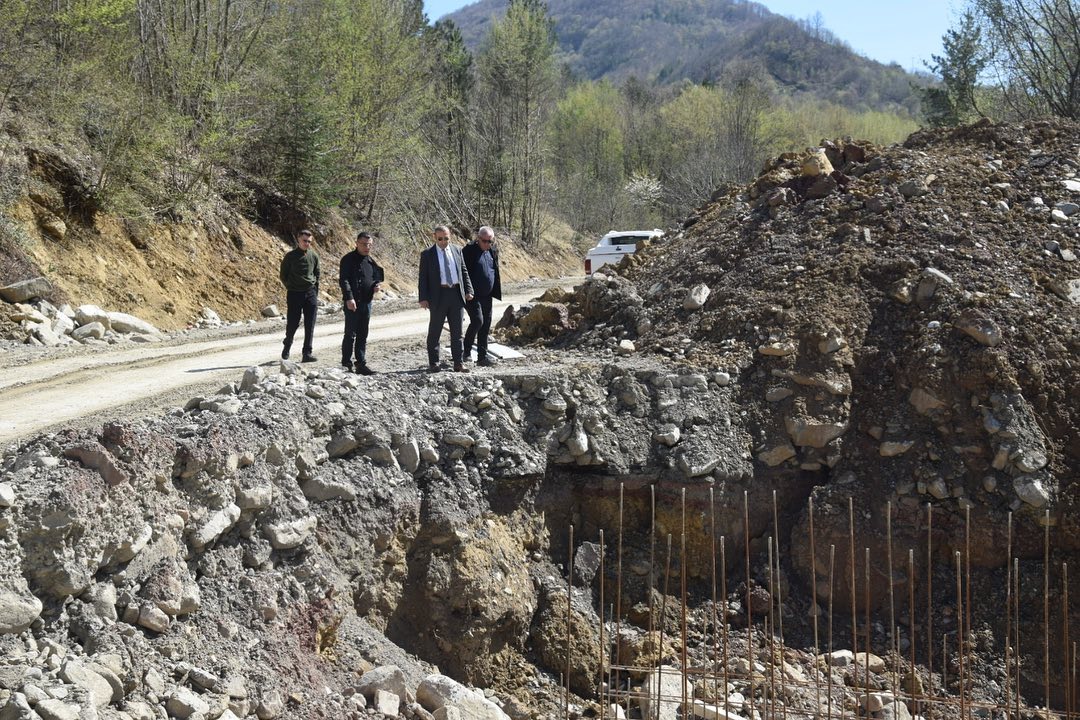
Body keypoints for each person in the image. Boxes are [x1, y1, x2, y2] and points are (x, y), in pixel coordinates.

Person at [418, 225, 473, 373]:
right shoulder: (427, 254)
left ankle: (458, 363)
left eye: (446, 238)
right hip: (438, 295)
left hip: (456, 293)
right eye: (440, 238)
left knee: (457, 331)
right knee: (435, 330)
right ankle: (434, 362)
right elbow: (423, 278)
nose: (443, 241)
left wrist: (468, 290)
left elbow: (463, 271)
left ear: (450, 236)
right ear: (435, 237)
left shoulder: (456, 250)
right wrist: (423, 298)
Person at [339, 231, 384, 375]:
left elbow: (375, 277)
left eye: (369, 245)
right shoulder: (348, 259)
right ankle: (346, 363)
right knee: (350, 334)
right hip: (353, 302)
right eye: (364, 244)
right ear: (357, 243)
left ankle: (361, 363)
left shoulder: (370, 261)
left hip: (367, 302)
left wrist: (376, 286)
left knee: (363, 334)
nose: (367, 247)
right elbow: (344, 280)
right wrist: (349, 298)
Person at [462, 226, 502, 367]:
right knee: (478, 321)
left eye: (489, 241)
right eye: (484, 241)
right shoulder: (468, 251)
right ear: (478, 238)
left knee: (485, 325)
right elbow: (463, 272)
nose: (487, 244)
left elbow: (494, 269)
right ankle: (466, 352)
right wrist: (467, 291)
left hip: (487, 295)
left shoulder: (493, 250)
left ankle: (482, 357)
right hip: (472, 295)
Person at [279, 228, 320, 362]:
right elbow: (283, 275)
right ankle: (287, 344)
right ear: (298, 239)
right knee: (293, 323)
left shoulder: (313, 256)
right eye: (304, 241)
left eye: (309, 241)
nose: (306, 243)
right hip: (295, 293)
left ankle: (307, 353)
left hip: (310, 293)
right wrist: (291, 286)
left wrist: (314, 291)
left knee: (310, 323)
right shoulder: (290, 256)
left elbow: (317, 274)